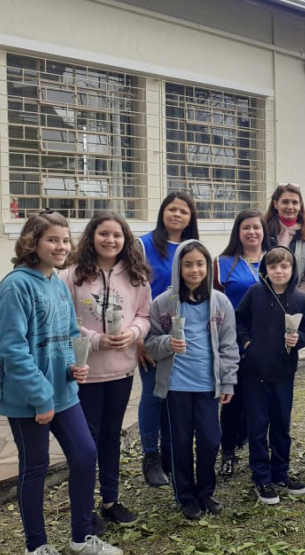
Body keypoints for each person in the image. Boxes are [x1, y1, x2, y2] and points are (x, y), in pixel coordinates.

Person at [0, 210, 122, 555]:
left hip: (63, 392)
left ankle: (81, 539)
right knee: (35, 466)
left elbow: (66, 336)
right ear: (31, 243)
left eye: (65, 240)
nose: (61, 246)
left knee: (84, 454)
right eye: (52, 239)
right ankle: (37, 546)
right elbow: (11, 350)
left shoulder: (57, 283)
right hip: (27, 399)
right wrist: (41, 398)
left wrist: (72, 367)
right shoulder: (16, 285)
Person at [61, 212, 151, 528]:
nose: (110, 240)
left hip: (122, 371)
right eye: (103, 234)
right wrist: (96, 340)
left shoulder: (137, 275)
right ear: (92, 236)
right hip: (85, 372)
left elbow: (144, 315)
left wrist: (134, 333)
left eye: (117, 235)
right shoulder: (72, 275)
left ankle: (110, 500)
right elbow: (64, 322)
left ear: (125, 240)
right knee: (86, 443)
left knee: (111, 437)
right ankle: (85, 510)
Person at [144, 240, 240, 520]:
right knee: (180, 442)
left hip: (208, 385)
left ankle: (205, 492)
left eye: (199, 263)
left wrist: (228, 381)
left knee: (211, 440)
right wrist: (167, 343)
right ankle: (186, 497)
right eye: (187, 264)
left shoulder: (220, 302)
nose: (194, 269)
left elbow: (229, 346)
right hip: (176, 387)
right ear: (178, 267)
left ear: (207, 267)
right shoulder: (164, 302)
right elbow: (149, 343)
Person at [234, 246, 305, 504]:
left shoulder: (301, 299)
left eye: (285, 266)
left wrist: (298, 338)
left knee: (281, 426)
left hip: (283, 373)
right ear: (265, 270)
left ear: (293, 270)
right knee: (258, 428)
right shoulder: (255, 293)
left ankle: (281, 473)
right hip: (254, 373)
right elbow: (238, 321)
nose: (279, 271)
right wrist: (246, 343)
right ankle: (261, 477)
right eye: (273, 266)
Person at [137, 191, 200, 487]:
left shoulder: (192, 248)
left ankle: (169, 455)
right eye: (172, 209)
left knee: (174, 395)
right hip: (152, 331)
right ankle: (150, 457)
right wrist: (138, 340)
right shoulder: (144, 245)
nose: (177, 215)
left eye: (184, 211)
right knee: (153, 394)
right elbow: (134, 291)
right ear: (163, 212)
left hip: (186, 332)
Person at [213, 208, 265, 479]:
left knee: (261, 399)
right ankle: (228, 451)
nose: (252, 232)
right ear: (238, 232)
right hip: (233, 342)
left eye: (256, 227)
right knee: (233, 399)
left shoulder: (274, 260)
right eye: (246, 227)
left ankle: (258, 447)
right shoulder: (223, 263)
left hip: (267, 343)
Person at [263, 183, 305, 293]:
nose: (290, 207)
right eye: (285, 202)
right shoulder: (263, 232)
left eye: (295, 202)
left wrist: (296, 298)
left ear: (300, 206)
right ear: (275, 204)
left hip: (295, 298)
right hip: (265, 295)